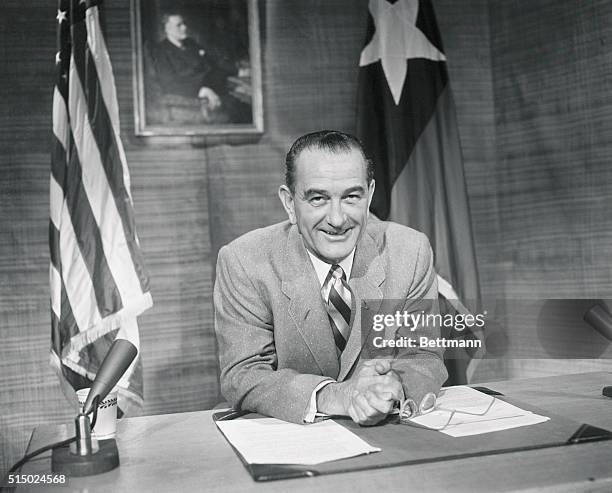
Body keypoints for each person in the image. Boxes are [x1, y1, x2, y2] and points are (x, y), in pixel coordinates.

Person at [213, 130, 447, 425]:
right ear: (289, 203)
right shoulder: (244, 261)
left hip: (389, 439)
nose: (337, 219)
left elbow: (424, 356)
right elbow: (243, 374)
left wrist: (387, 390)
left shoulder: (410, 251)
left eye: (351, 197)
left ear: (370, 194)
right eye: (318, 199)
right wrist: (336, 396)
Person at [151, 13, 250, 123]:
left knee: (249, 102)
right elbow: (169, 83)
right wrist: (201, 90)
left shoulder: (191, 43)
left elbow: (212, 64)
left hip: (217, 86)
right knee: (240, 111)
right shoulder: (160, 51)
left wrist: (238, 72)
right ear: (167, 28)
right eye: (179, 25)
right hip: (195, 95)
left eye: (184, 23)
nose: (184, 27)